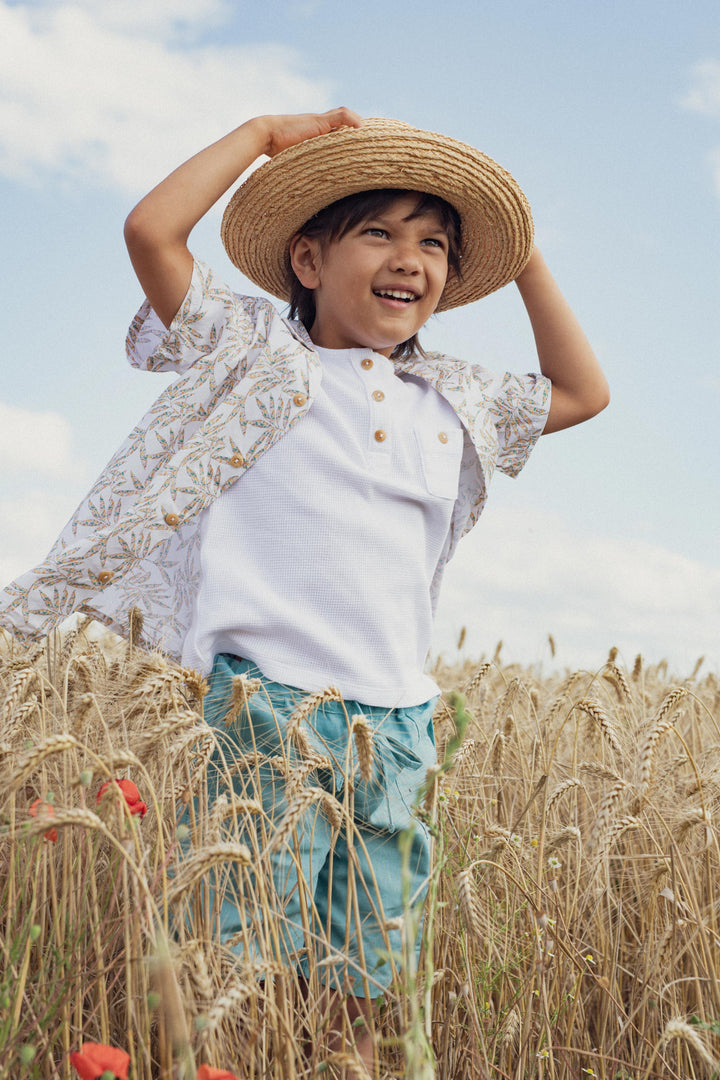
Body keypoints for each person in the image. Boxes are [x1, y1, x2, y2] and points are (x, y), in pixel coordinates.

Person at [0, 108, 608, 1074]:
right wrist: (257, 136)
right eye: (380, 232)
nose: (411, 257)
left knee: (369, 985)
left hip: (400, 728)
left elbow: (583, 391)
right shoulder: (259, 357)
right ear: (309, 260)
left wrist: (521, 250)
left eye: (436, 244)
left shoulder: (451, 399)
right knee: (226, 974)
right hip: (265, 715)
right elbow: (152, 233)